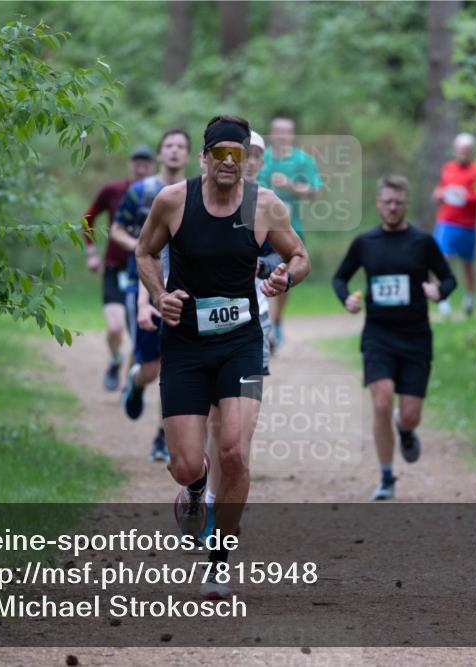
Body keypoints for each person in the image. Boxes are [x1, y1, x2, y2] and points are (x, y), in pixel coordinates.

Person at [135, 115, 309, 598]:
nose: (230, 162)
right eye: (221, 154)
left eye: (238, 154)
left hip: (242, 345)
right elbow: (145, 254)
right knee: (187, 463)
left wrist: (283, 279)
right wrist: (158, 295)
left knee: (234, 450)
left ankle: (219, 558)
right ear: (204, 158)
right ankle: (194, 489)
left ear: (246, 159)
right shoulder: (173, 202)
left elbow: (300, 256)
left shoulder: (266, 206)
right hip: (186, 346)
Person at [333, 175, 456, 500]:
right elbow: (339, 277)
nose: (392, 207)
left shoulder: (423, 242)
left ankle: (406, 429)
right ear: (378, 203)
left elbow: (449, 278)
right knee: (382, 400)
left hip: (416, 337)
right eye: (387, 201)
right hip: (378, 335)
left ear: (405, 205)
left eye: (398, 203)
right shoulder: (365, 243)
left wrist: (438, 291)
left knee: (410, 413)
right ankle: (386, 477)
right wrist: (347, 299)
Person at [204, 130, 280, 526]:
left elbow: (287, 257)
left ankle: (220, 515)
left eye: (252, 154)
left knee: (240, 436)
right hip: (205, 330)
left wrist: (268, 269)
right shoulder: (202, 201)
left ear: (260, 161)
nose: (244, 159)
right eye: (236, 152)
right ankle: (208, 493)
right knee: (215, 424)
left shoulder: (265, 205)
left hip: (254, 329)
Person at [112, 130, 190, 461]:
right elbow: (116, 228)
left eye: (180, 147)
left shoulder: (194, 193)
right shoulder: (140, 191)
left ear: (188, 155)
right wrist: (142, 249)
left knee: (174, 367)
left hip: (180, 287)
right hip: (139, 282)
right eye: (169, 146)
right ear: (160, 154)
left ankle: (162, 437)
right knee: (152, 369)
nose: (174, 152)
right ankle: (136, 380)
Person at [82, 146, 155, 390]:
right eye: (137, 162)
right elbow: (87, 219)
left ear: (152, 167)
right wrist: (91, 252)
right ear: (130, 165)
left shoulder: (160, 193)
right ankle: (114, 359)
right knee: (115, 327)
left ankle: (131, 381)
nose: (140, 167)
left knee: (138, 333)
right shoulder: (113, 190)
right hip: (115, 268)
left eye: (145, 163)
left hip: (145, 272)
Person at [258, 115, 321, 350]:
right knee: (259, 271)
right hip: (259, 227)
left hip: (291, 227)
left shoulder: (303, 160)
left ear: (292, 135)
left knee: (285, 273)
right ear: (271, 134)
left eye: (286, 131)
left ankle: (276, 320)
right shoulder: (260, 159)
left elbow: (315, 191)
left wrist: (290, 186)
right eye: (278, 131)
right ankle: (263, 322)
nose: (282, 135)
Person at [431, 133, 476, 317]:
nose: (462, 153)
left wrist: (467, 196)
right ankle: (443, 298)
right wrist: (439, 195)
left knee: (467, 264)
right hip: (446, 222)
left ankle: (469, 297)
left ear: (472, 151)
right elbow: (439, 189)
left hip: (468, 225)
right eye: (459, 150)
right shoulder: (448, 168)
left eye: (465, 150)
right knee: (442, 260)